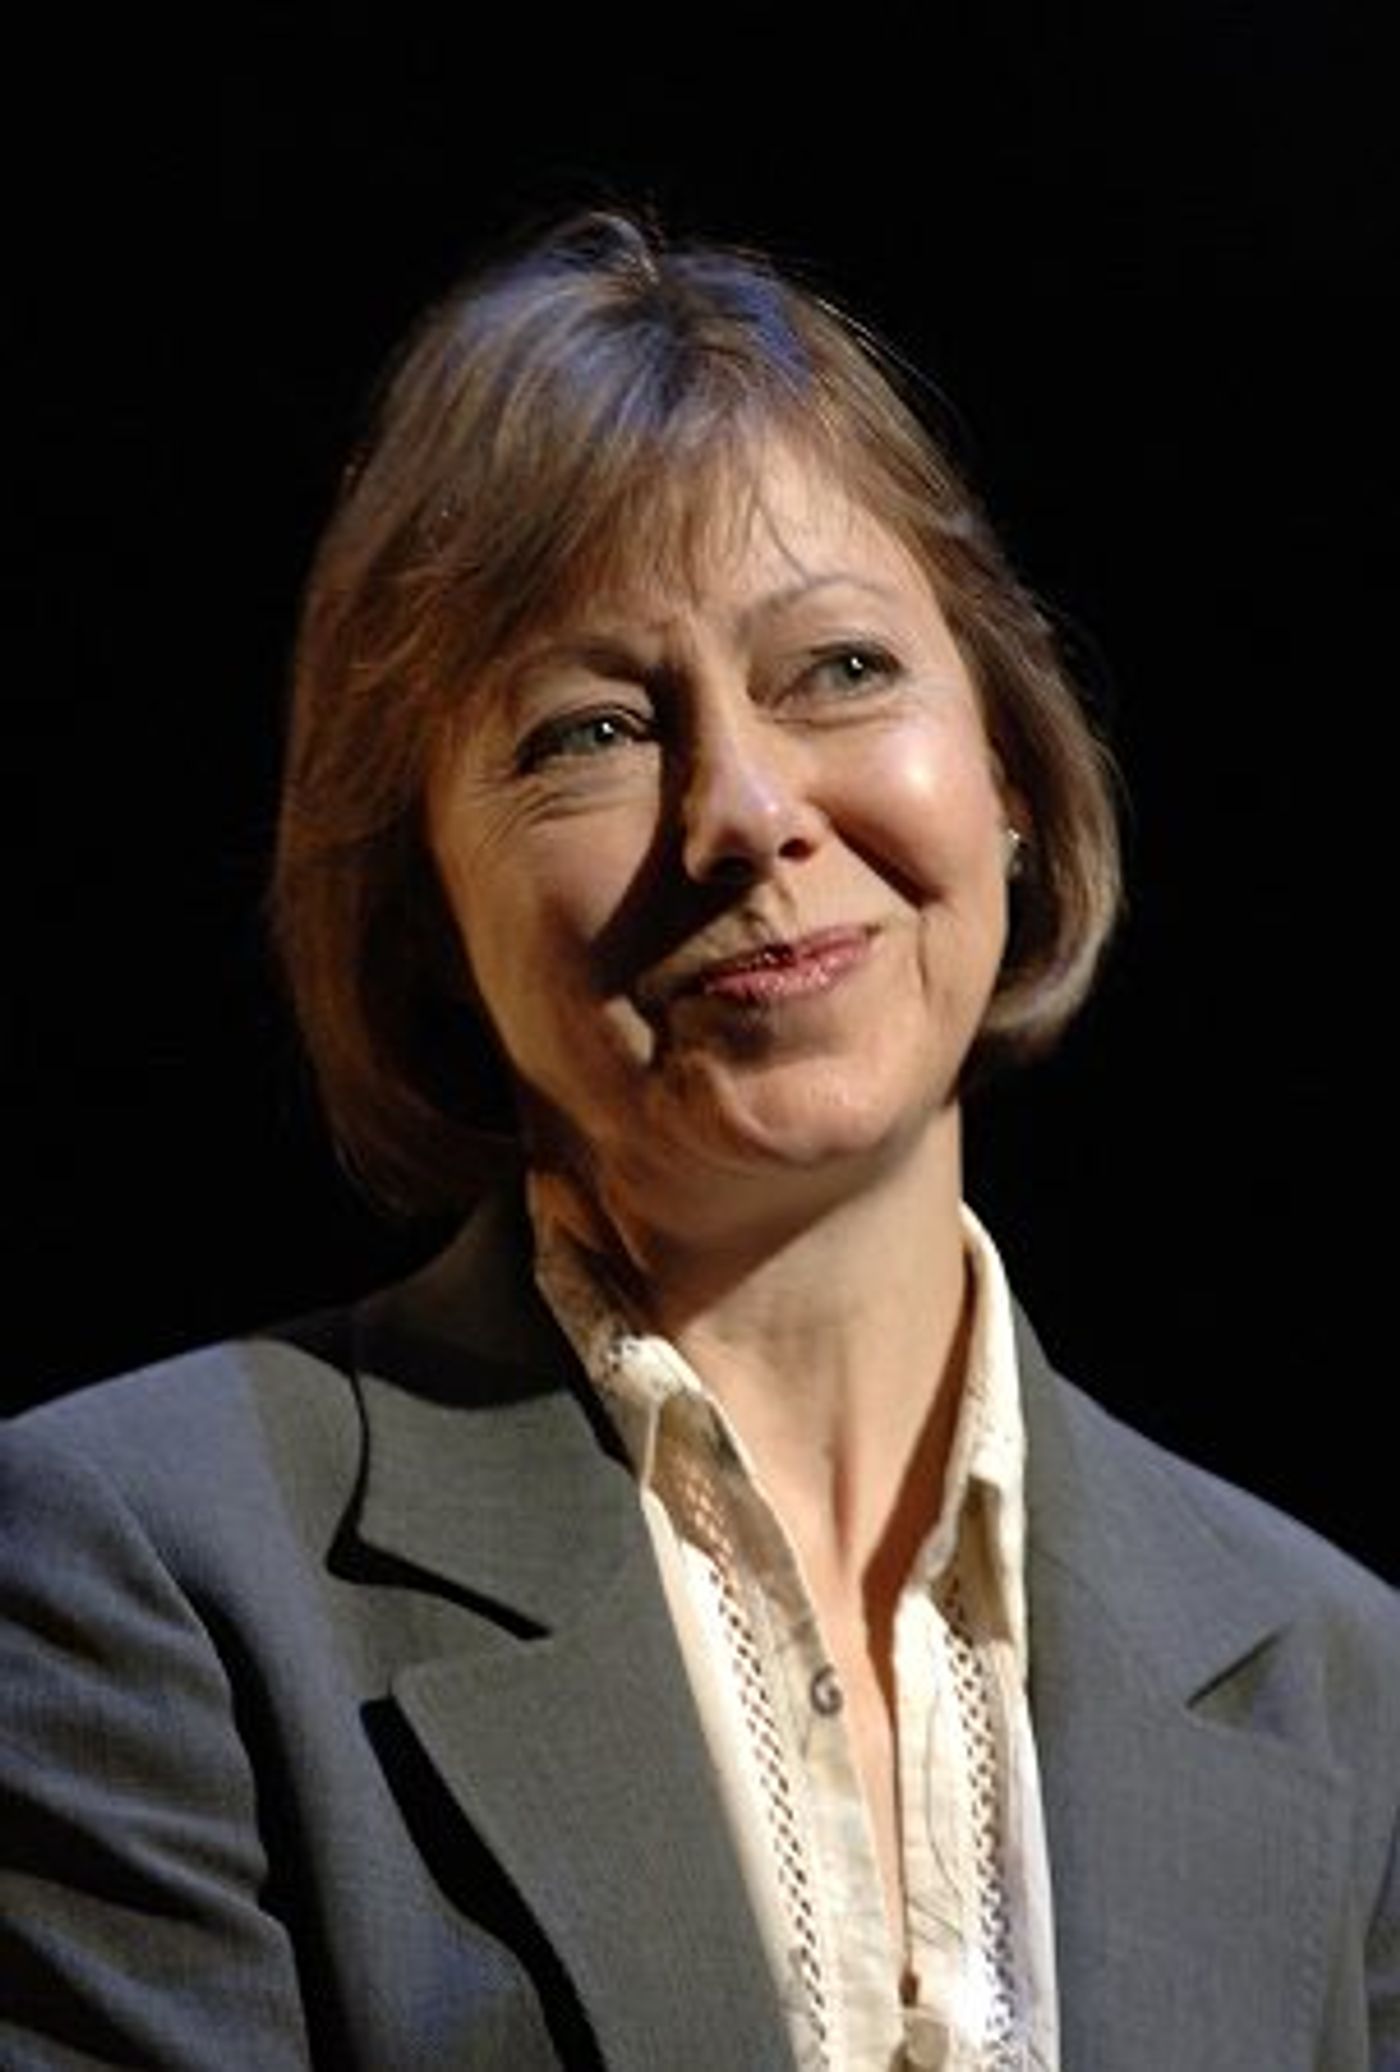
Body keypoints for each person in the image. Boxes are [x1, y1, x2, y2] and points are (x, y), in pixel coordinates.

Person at [1, 206, 1396, 2072]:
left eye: (841, 670)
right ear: (429, 917)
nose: (743, 811)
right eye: (588, 731)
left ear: (1009, 772)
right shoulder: (143, 1576)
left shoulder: (1339, 1678)